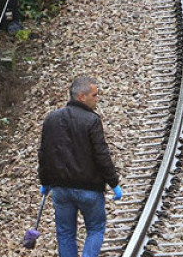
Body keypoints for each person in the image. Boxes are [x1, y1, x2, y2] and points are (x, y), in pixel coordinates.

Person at [38, 76, 122, 257]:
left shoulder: (51, 119)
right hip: (89, 190)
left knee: (65, 233)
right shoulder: (92, 120)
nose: (97, 98)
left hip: (61, 189)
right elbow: (101, 155)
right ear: (82, 97)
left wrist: (45, 182)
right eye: (94, 95)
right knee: (95, 229)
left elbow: (44, 154)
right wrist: (114, 184)